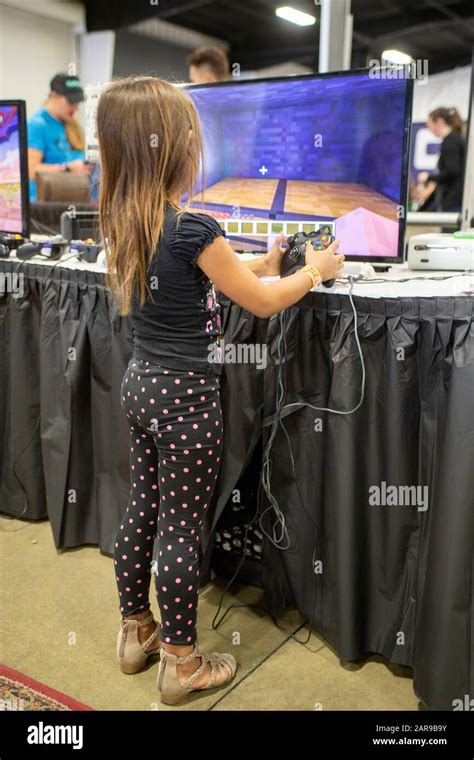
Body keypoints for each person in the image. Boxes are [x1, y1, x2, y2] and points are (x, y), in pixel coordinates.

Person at [97, 76, 343, 705]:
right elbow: (261, 301)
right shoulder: (191, 227)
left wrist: (263, 259)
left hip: (141, 387)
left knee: (142, 509)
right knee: (183, 527)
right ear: (171, 147)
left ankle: (137, 634)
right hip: (185, 399)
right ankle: (182, 665)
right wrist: (316, 270)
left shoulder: (126, 219)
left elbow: (216, 277)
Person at [27, 73, 91, 201]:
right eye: (71, 102)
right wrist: (66, 168)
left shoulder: (70, 124)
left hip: (69, 198)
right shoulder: (37, 125)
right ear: (54, 96)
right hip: (44, 204)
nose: (75, 107)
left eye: (77, 102)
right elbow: (30, 170)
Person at [416, 107, 465, 212]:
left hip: (454, 201)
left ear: (439, 121)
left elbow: (452, 171)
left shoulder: (451, 141)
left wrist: (429, 177)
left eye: (430, 125)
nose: (429, 129)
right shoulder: (455, 139)